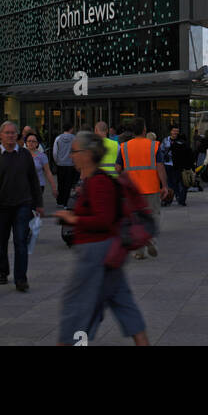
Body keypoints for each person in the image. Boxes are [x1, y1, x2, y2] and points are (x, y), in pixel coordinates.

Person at [55, 132, 149, 346]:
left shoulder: (98, 182)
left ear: (87, 154)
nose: (71, 156)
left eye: (75, 152)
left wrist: (73, 218)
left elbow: (103, 220)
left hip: (95, 252)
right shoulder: (93, 180)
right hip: (108, 252)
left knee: (76, 306)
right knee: (123, 304)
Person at [0, 120, 43, 290]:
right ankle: (2, 271)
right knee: (1, 242)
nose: (10, 136)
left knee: (20, 241)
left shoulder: (24, 155)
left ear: (18, 135)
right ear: (0, 135)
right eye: (6, 133)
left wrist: (38, 203)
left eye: (13, 133)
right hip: (0, 206)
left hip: (22, 204)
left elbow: (33, 180)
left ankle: (21, 279)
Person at [118, 118, 169, 258]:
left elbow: (118, 168)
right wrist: (164, 186)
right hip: (151, 187)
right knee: (153, 215)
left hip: (132, 190)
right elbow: (160, 167)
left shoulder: (124, 147)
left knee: (135, 218)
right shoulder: (154, 146)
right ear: (144, 130)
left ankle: (139, 251)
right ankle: (151, 238)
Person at [23, 131, 58, 201]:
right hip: (24, 185)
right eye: (29, 141)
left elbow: (48, 172)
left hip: (38, 185)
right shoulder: (21, 155)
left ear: (37, 143)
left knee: (34, 205)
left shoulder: (42, 156)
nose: (31, 143)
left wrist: (54, 187)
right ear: (26, 143)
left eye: (33, 141)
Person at [52, 122, 78, 206]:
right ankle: (66, 202)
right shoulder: (74, 138)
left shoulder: (58, 138)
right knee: (68, 184)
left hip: (60, 164)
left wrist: (57, 161)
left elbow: (55, 152)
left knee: (60, 183)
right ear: (71, 129)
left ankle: (60, 201)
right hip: (70, 164)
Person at [171, 132, 195, 207]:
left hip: (176, 167)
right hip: (186, 168)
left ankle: (178, 195)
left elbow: (172, 157)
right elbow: (191, 158)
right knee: (185, 184)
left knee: (175, 183)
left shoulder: (174, 146)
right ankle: (182, 199)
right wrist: (192, 167)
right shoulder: (187, 146)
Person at [160, 126, 179, 196]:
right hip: (167, 163)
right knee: (169, 180)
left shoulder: (180, 141)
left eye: (177, 131)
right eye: (174, 131)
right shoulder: (165, 140)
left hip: (176, 163)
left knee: (175, 180)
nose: (175, 133)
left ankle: (176, 194)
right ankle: (169, 195)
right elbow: (161, 150)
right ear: (171, 132)